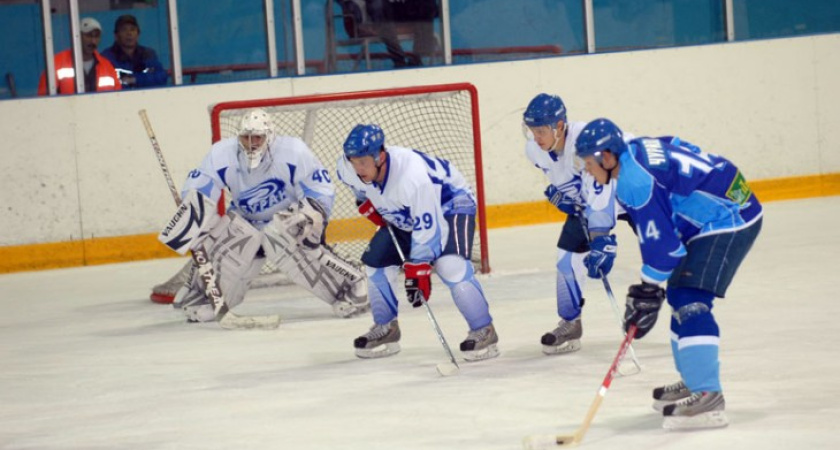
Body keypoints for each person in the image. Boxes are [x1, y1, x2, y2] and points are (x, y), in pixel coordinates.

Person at [575, 118, 763, 430]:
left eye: (589, 163)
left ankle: (708, 395)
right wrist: (650, 287)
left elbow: (665, 250)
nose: (587, 170)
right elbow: (674, 147)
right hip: (725, 204)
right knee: (678, 291)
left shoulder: (634, 181)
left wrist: (647, 289)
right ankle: (695, 379)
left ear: (607, 157)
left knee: (689, 298)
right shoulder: (635, 149)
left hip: (730, 217)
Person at [157, 108, 369, 323]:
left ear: (270, 136)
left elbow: (318, 187)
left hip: (287, 220)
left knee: (286, 238)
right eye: (246, 138)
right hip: (246, 220)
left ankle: (352, 284)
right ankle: (209, 298)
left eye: (257, 137)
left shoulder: (293, 151)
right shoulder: (222, 154)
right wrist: (195, 213)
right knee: (230, 236)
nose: (251, 143)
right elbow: (202, 185)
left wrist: (310, 215)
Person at [336, 124, 499, 361]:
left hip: (451, 204)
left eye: (363, 162)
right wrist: (367, 205)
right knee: (376, 265)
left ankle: (484, 329)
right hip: (407, 210)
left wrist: (419, 268)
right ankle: (386, 328)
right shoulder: (347, 168)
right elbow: (361, 191)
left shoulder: (411, 177)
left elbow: (428, 227)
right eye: (353, 161)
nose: (357, 168)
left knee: (450, 266)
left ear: (380, 157)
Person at [521, 93, 629, 355]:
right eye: (532, 130)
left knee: (663, 254)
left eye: (541, 130)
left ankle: (686, 306)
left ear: (559, 126)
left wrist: (600, 238)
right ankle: (570, 323)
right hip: (590, 206)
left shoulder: (583, 141)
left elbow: (603, 185)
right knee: (567, 261)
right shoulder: (534, 150)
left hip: (627, 197)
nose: (536, 137)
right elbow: (570, 184)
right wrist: (565, 197)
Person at [38, 17, 122, 95]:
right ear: (77, 36)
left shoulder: (107, 67)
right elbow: (45, 98)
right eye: (88, 36)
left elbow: (117, 97)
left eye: (96, 36)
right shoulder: (57, 63)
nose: (93, 41)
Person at [362, 0, 438, 67]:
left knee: (427, 3)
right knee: (379, 5)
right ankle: (399, 59)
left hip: (406, 8)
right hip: (386, 10)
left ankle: (417, 58)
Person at [100, 14, 168, 89]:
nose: (129, 33)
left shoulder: (148, 54)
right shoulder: (107, 58)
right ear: (116, 36)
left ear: (138, 34)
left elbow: (161, 78)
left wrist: (135, 79)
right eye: (124, 30)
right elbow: (104, 87)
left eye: (132, 29)